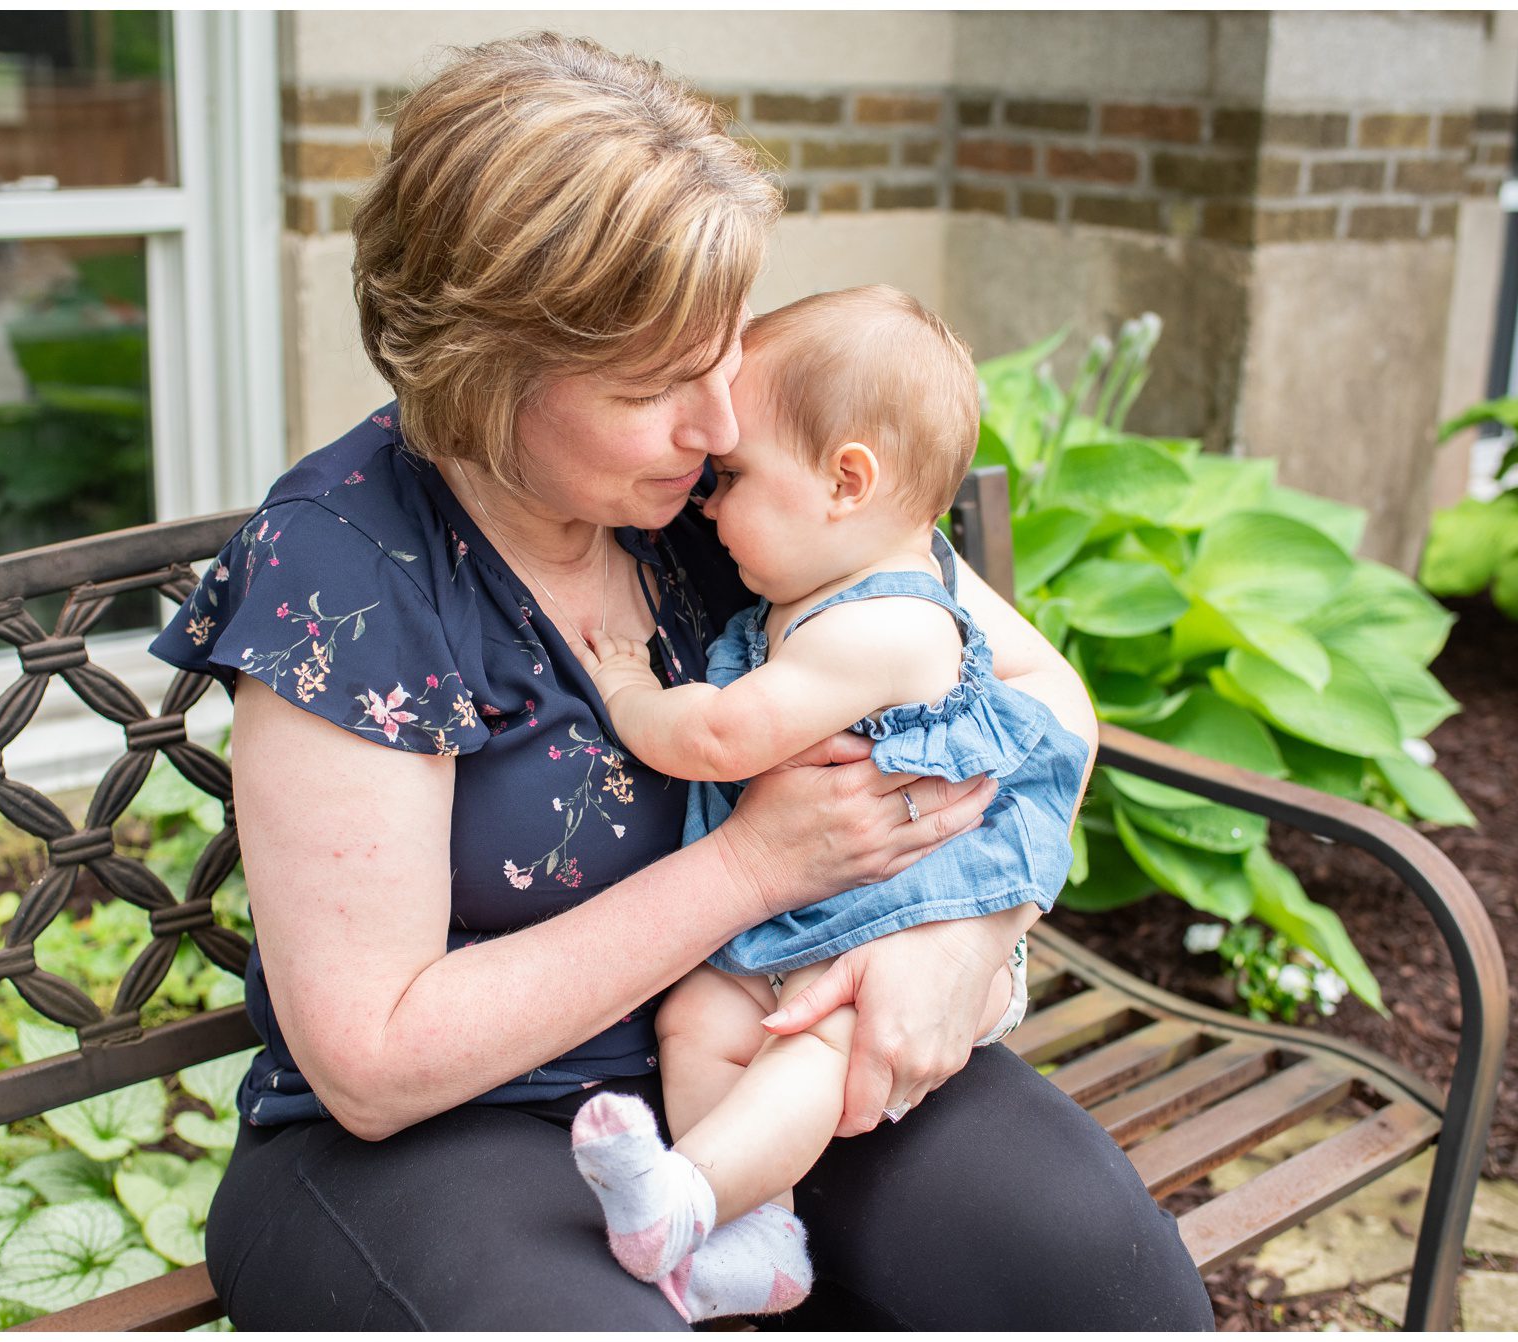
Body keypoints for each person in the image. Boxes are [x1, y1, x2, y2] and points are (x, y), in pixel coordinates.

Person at [150, 31, 1214, 1330]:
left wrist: (962, 934)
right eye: (657, 383)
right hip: (443, 1135)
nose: (717, 423)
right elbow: (374, 1060)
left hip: (766, 1050)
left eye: (722, 350)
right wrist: (755, 867)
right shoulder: (353, 566)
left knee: (1091, 1269)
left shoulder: (730, 489)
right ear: (485, 375)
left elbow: (1044, 699)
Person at [567, 285, 1092, 1313]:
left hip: (891, 939)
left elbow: (721, 738)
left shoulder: (882, 624)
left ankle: (691, 1195)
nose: (707, 501)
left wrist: (626, 682)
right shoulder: (817, 583)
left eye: (733, 476)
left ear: (846, 481)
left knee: (814, 1045)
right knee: (697, 1014)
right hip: (802, 925)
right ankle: (747, 1233)